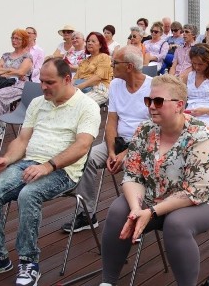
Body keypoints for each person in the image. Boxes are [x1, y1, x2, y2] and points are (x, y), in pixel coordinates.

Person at [83, 74, 209, 286]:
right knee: (119, 211)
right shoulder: (144, 131)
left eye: (158, 100)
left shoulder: (202, 134)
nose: (151, 105)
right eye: (148, 100)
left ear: (179, 105)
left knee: (177, 223)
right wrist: (135, 209)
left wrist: (150, 212)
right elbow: (132, 176)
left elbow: (195, 191)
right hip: (158, 194)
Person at [0, 57, 100, 286]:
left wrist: (48, 166)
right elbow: (22, 140)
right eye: (41, 82)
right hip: (29, 163)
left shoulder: (87, 106)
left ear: (67, 79)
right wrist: (6, 159)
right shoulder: (38, 103)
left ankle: (29, 262)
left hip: (63, 171)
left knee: (29, 194)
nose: (44, 87)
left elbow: (82, 146)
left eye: (50, 82)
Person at [64, 45, 151, 233]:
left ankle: (136, 219)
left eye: (115, 63)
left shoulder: (153, 87)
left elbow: (154, 130)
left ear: (129, 66)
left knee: (134, 167)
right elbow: (111, 122)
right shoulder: (116, 85)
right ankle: (87, 214)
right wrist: (112, 152)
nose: (111, 65)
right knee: (85, 158)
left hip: (144, 146)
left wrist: (126, 154)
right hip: (118, 143)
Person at [179, 44, 209, 139]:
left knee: (203, 136)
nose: (197, 67)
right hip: (189, 114)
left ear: (208, 62)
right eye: (194, 63)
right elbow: (181, 101)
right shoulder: (188, 76)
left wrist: (205, 111)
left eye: (200, 64)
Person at [74, 31, 112, 105]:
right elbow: (75, 79)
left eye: (93, 41)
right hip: (81, 89)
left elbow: (98, 77)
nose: (89, 43)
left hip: (99, 89)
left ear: (100, 45)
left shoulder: (104, 57)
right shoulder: (84, 61)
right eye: (88, 41)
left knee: (79, 104)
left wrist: (79, 87)